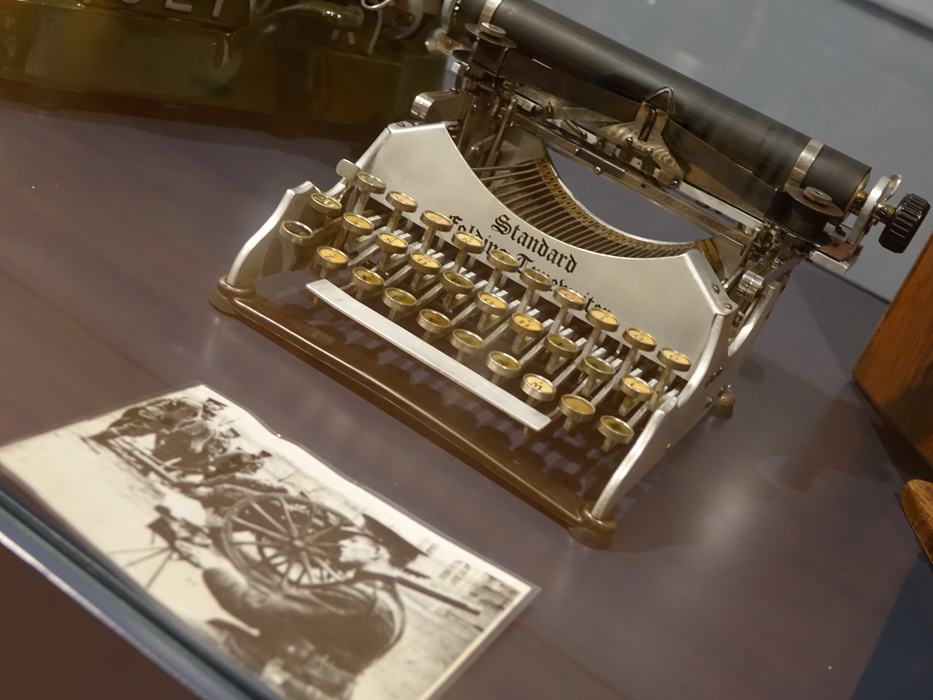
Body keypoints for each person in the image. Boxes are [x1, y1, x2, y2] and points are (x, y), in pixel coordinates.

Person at [201, 515, 423, 700]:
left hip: (282, 680)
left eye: (354, 540)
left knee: (194, 632)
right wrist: (229, 550)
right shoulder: (393, 606)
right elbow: (290, 598)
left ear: (376, 552)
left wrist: (212, 566)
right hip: (313, 685)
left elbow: (254, 609)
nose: (343, 543)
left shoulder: (357, 597)